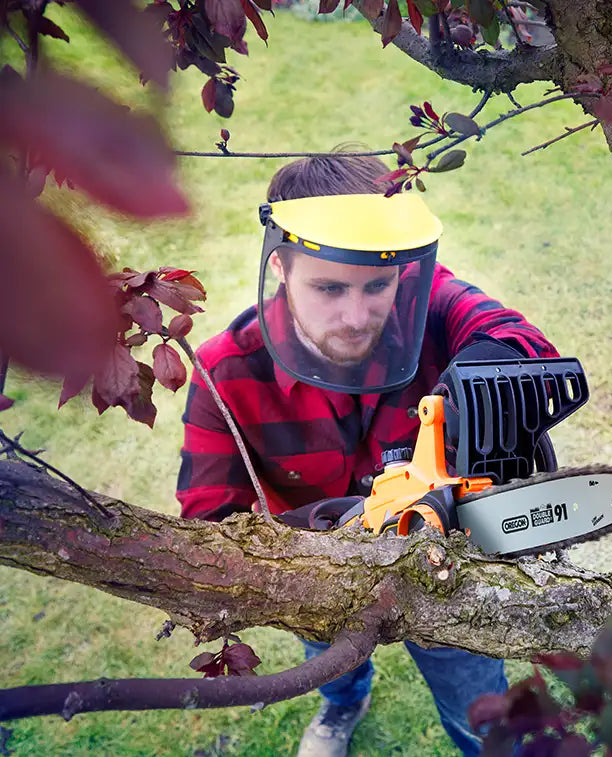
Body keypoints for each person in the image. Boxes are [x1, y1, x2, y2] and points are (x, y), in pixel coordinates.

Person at [176, 152, 559, 757]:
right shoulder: (226, 370)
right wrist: (324, 528)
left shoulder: (426, 301)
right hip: (318, 576)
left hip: (441, 566)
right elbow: (207, 519)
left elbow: (523, 345)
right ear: (281, 264)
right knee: (331, 666)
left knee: (480, 710)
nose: (356, 316)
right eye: (328, 288)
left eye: (377, 287)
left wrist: (472, 386)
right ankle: (342, 705)